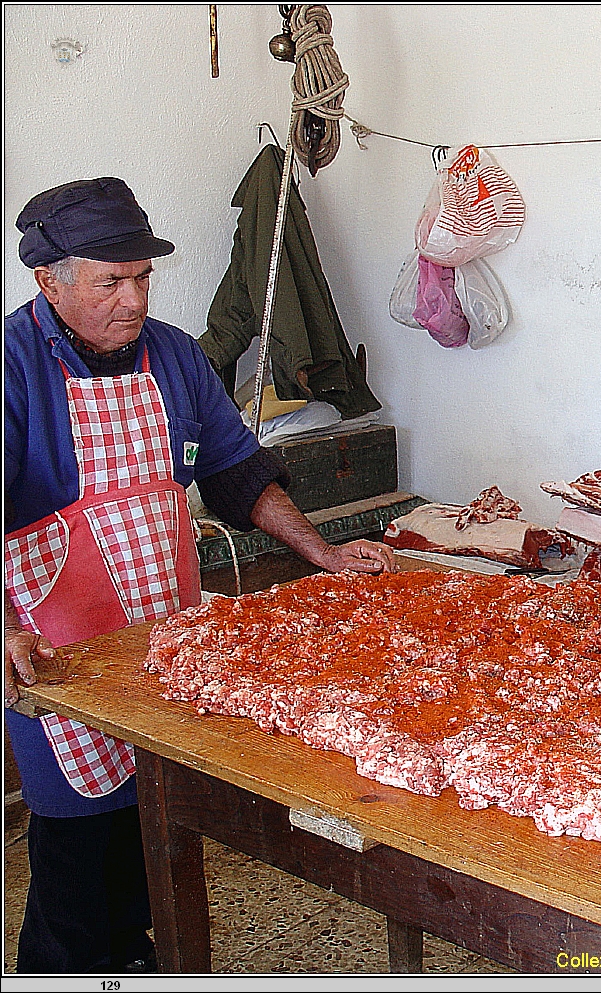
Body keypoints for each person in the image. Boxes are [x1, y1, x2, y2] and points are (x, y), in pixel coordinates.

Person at [4, 177, 397, 973]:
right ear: (50, 281)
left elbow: (236, 470)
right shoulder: (13, 368)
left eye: (143, 278)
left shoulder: (175, 355)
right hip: (60, 656)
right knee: (79, 875)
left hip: (166, 641)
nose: (133, 299)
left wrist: (320, 550)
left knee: (157, 840)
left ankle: (145, 963)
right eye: (110, 281)